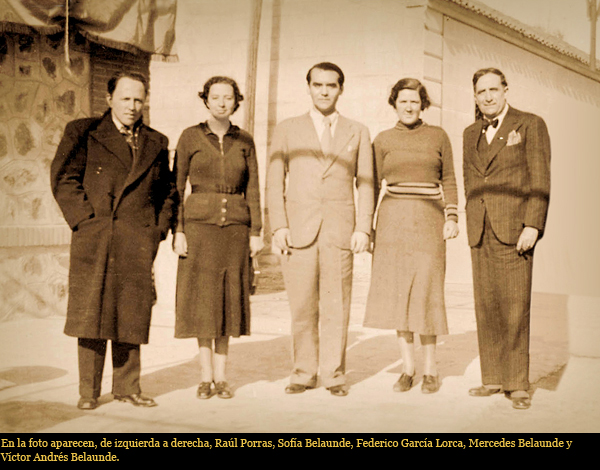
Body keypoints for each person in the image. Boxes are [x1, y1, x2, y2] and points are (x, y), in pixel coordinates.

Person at [51, 71, 177, 410]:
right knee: (91, 314)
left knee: (131, 313)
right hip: (95, 236)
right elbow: (64, 179)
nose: (132, 106)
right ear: (109, 99)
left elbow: (168, 193)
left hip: (136, 239)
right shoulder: (84, 132)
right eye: (125, 98)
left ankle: (127, 388)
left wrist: (156, 231)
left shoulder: (156, 141)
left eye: (139, 99)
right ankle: (88, 392)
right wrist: (85, 222)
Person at [267, 62, 374, 397]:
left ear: (341, 89)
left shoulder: (357, 130)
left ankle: (333, 374)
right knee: (301, 305)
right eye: (318, 85)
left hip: (339, 231)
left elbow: (367, 183)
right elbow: (274, 181)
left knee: (336, 305)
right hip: (298, 230)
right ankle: (303, 372)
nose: (324, 91)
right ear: (309, 87)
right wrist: (278, 225)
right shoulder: (287, 128)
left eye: (331, 85)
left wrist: (363, 228)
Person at [364, 78, 459, 394]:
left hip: (429, 223)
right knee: (399, 296)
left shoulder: (438, 136)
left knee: (427, 294)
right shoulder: (382, 140)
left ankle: (430, 370)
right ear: (394, 103)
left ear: (423, 105)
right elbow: (371, 185)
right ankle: (408, 369)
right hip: (392, 224)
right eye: (403, 101)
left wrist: (452, 216)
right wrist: (369, 227)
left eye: (414, 101)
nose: (408, 106)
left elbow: (450, 180)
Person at [463, 68, 550, 410]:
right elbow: (472, 182)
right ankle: (493, 378)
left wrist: (533, 225)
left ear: (505, 90)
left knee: (515, 307)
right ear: (474, 96)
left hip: (515, 231)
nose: (487, 96)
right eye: (481, 91)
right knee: (487, 307)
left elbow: (540, 178)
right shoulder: (470, 132)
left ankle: (517, 384)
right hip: (480, 230)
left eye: (493, 90)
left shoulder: (529, 124)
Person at [172, 76, 263, 400]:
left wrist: (255, 232)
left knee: (228, 302)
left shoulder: (245, 140)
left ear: (236, 101)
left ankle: (222, 379)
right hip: (199, 230)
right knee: (202, 303)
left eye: (229, 97)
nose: (222, 102)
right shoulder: (189, 137)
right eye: (216, 97)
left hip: (235, 231)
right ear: (206, 100)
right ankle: (205, 377)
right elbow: (176, 186)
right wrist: (178, 230)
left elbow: (253, 188)